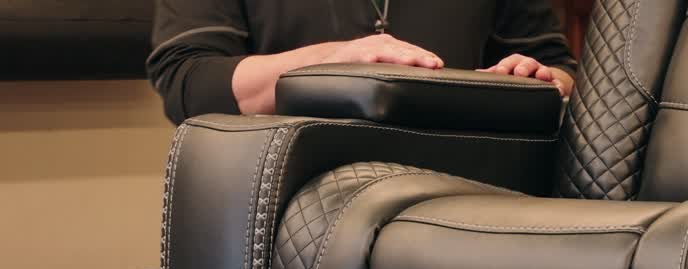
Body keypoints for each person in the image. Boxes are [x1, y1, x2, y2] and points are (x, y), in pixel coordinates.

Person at [147, 0, 577, 125]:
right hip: (283, 210)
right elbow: (189, 83)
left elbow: (561, 68)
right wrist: (330, 61)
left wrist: (538, 80)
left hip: (456, 204)